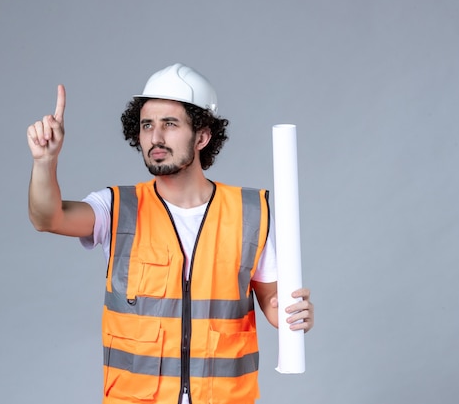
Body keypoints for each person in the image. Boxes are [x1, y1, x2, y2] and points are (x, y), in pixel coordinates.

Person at [27, 63, 314, 404]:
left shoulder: (248, 212)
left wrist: (289, 313)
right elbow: (48, 218)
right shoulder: (117, 207)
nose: (155, 137)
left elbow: (271, 299)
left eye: (170, 124)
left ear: (202, 136)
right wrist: (45, 162)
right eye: (147, 125)